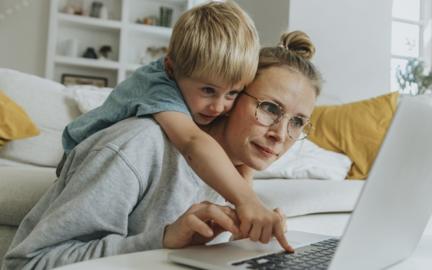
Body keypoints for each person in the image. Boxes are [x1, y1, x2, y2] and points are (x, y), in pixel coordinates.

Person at [2, 31, 322, 270]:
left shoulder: (235, 174)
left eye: (297, 122)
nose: (281, 134)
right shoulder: (136, 146)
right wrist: (163, 240)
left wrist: (243, 248)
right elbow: (28, 263)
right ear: (232, 95)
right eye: (269, 108)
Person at [57, 1, 282, 244]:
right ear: (171, 69)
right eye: (208, 90)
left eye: (232, 94)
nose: (219, 107)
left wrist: (246, 202)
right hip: (80, 158)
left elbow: (239, 158)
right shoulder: (159, 86)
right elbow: (192, 142)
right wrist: (247, 201)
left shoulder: (195, 80)